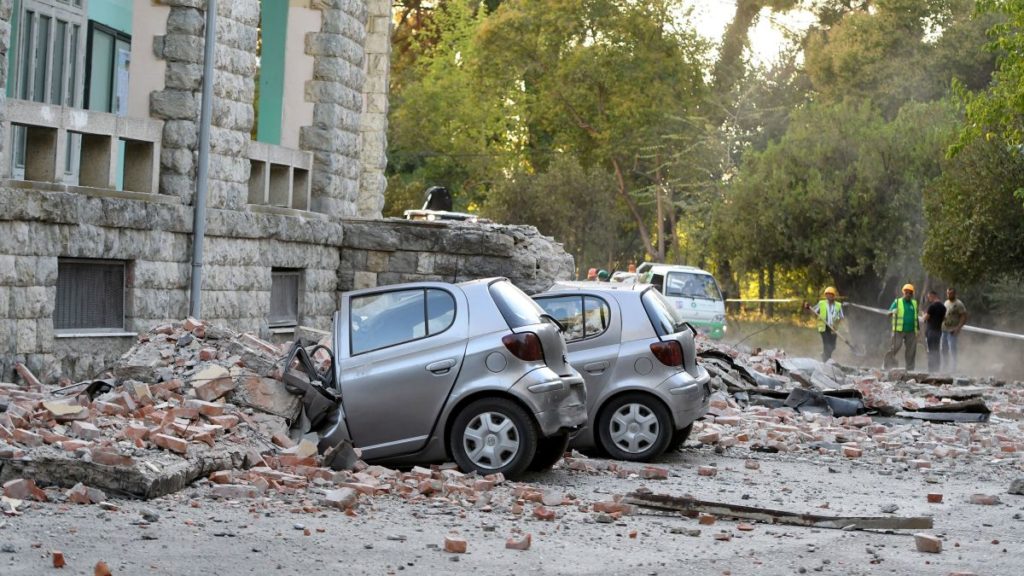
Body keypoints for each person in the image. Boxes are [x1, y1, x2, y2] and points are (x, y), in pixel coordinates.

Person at [883, 284, 919, 371]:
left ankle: (910, 369)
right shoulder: (897, 302)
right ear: (903, 292)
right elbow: (888, 314)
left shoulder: (914, 303)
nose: (908, 294)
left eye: (910, 293)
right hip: (898, 330)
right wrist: (893, 311)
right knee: (894, 348)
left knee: (911, 351)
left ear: (912, 294)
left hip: (911, 331)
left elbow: (916, 317)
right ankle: (887, 365)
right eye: (906, 292)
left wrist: (918, 330)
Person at [806, 286, 844, 362]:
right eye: (827, 294)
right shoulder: (821, 303)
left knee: (833, 346)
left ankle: (825, 355)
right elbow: (813, 311)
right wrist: (808, 307)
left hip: (833, 328)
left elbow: (841, 317)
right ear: (825, 295)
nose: (829, 296)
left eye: (831, 294)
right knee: (827, 344)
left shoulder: (838, 305)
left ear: (834, 296)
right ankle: (826, 360)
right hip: (823, 327)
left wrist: (835, 324)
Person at [941, 287, 968, 373]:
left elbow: (964, 316)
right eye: (948, 293)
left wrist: (958, 328)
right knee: (943, 349)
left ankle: (953, 369)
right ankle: (945, 366)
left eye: (951, 293)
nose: (949, 295)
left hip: (952, 330)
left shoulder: (959, 304)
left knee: (952, 349)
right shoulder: (946, 303)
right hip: (944, 329)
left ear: (954, 294)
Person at [922, 290, 946, 373]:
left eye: (929, 297)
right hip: (938, 331)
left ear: (933, 296)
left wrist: (923, 314)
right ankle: (937, 369)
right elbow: (943, 319)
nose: (929, 299)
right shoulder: (943, 307)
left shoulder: (932, 306)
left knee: (931, 351)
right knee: (937, 350)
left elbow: (925, 318)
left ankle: (931, 369)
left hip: (931, 331)